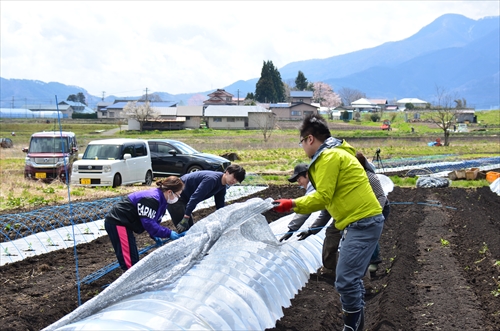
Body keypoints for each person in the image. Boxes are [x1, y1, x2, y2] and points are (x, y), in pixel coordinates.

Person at [273, 114, 384, 331]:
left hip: (361, 221)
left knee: (345, 280)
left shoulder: (329, 158)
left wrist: (291, 204)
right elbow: (329, 200)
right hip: (359, 221)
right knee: (350, 279)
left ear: (310, 139)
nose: (303, 147)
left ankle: (351, 328)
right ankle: (355, 326)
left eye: (302, 142)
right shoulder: (337, 154)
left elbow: (322, 197)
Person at [104, 176, 186, 271]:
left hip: (126, 224)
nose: (178, 198)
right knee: (129, 261)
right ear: (169, 192)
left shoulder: (162, 200)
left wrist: (154, 234)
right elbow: (148, 223)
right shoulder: (151, 199)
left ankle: (132, 279)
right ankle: (131, 282)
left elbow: (154, 219)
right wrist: (168, 233)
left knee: (132, 256)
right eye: (178, 195)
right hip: (118, 222)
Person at [279, 163, 338, 277]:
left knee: (336, 239)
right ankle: (333, 270)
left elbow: (307, 207)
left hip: (348, 215)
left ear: (307, 174)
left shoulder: (315, 186)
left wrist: (292, 228)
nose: (299, 183)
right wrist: (311, 230)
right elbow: (326, 213)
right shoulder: (316, 184)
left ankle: (334, 271)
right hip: (343, 215)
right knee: (333, 236)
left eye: (299, 179)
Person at [170, 164, 246, 233]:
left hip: (185, 198)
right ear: (227, 172)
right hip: (175, 195)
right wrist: (186, 216)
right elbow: (196, 197)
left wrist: (224, 220)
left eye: (237, 180)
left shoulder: (222, 186)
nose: (234, 181)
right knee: (184, 228)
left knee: (191, 230)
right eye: (234, 177)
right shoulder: (212, 180)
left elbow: (220, 204)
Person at [355, 152, 391, 275]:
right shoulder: (354, 177)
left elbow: (381, 196)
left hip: (380, 208)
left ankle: (374, 261)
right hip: (366, 209)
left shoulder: (370, 177)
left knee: (370, 233)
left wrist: (377, 214)